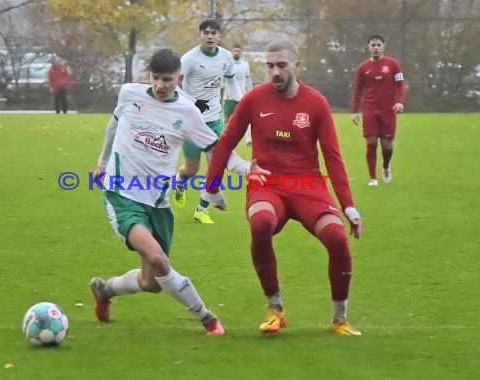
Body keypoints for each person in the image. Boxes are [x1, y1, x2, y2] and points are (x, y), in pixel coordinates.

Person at [89, 48, 262, 336]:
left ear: (179, 78)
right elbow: (114, 124)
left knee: (151, 282)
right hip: (122, 196)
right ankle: (207, 318)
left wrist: (245, 168)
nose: (159, 85)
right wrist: (102, 162)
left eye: (167, 79)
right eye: (155, 78)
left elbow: (214, 147)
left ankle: (105, 290)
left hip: (158, 204)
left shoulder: (188, 111)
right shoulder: (130, 94)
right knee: (159, 260)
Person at [204, 39, 363, 336]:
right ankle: (275, 309)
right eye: (269, 66)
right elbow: (225, 141)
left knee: (338, 238)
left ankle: (339, 318)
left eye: (281, 65)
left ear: (296, 65)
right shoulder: (254, 99)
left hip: (307, 185)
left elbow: (333, 156)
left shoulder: (316, 103)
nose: (274, 72)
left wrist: (348, 205)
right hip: (267, 184)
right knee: (261, 223)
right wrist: (211, 186)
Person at [172, 19, 243, 224]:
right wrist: (193, 102)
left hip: (214, 121)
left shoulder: (226, 57)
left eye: (214, 33)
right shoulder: (188, 59)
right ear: (199, 36)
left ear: (219, 36)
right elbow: (173, 86)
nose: (210, 36)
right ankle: (179, 183)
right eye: (206, 33)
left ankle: (201, 210)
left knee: (216, 164)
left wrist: (239, 101)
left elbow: (230, 79)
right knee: (191, 169)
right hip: (192, 122)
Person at [351, 34, 406, 186]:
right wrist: (355, 111)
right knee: (371, 142)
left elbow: (401, 85)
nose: (375, 48)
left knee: (387, 146)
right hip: (370, 110)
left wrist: (400, 102)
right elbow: (357, 90)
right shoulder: (363, 68)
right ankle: (373, 178)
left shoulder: (393, 64)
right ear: (368, 47)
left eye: (378, 45)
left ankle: (386, 166)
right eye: (373, 45)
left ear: (384, 46)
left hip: (388, 111)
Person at [223, 44, 253, 145]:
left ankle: (249, 140)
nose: (236, 53)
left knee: (247, 118)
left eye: (238, 51)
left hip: (242, 96)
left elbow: (248, 79)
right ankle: (226, 138)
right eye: (235, 51)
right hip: (229, 96)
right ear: (232, 52)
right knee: (227, 119)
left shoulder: (245, 65)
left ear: (241, 53)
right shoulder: (227, 64)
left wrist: (250, 91)